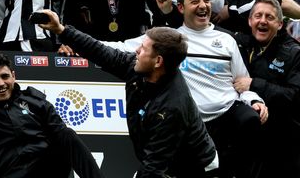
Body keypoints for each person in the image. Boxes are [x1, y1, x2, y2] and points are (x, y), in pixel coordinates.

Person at [36, 10, 219, 177]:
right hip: (167, 161)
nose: (137, 51)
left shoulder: (172, 107)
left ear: (158, 61)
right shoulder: (138, 67)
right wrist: (61, 30)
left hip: (195, 167)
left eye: (143, 49)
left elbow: (153, 167)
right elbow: (100, 52)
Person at [114, 0, 267, 177]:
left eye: (206, 0)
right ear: (181, 8)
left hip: (225, 114)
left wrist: (255, 100)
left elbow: (243, 83)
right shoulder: (170, 41)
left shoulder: (227, 40)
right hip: (190, 124)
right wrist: (69, 41)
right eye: (195, 1)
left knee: (251, 119)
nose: (203, 5)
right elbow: (119, 48)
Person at [0, 47, 103, 178]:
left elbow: (63, 138)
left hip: (46, 170)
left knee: (66, 134)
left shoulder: (36, 102)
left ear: (13, 76)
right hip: (10, 172)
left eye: (5, 76)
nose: (1, 83)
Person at [233, 0, 300, 177]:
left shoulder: (294, 53)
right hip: (246, 135)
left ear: (279, 24)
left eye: (269, 17)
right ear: (250, 21)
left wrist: (254, 84)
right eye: (258, 16)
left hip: (282, 141)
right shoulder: (239, 43)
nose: (263, 21)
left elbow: (295, 96)